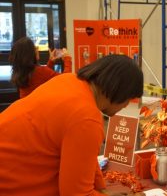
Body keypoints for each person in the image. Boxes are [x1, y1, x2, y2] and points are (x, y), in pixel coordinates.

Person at [0, 54, 144, 195]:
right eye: (129, 99)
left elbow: (84, 160)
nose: (125, 106)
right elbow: (75, 193)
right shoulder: (86, 118)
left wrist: (101, 190)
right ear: (120, 89)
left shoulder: (69, 80)